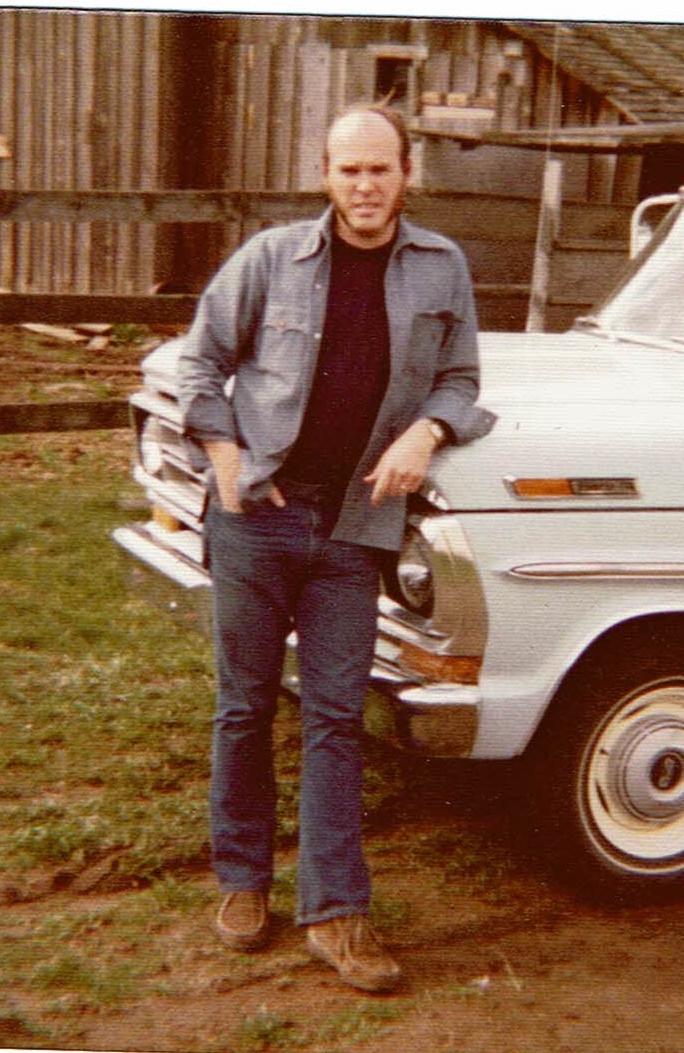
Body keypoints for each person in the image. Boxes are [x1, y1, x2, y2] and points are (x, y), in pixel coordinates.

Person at [177, 104, 495, 993]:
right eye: (348, 170)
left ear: (406, 174)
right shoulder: (270, 259)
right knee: (244, 705)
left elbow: (461, 378)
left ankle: (335, 911)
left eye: (379, 169)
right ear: (325, 174)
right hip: (258, 518)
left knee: (335, 715)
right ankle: (243, 880)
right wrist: (228, 460)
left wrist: (427, 430)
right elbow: (200, 363)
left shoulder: (441, 266)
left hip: (356, 525)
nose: (364, 186)